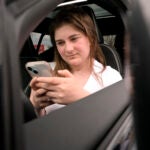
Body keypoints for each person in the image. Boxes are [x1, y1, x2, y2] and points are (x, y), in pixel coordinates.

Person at [29, 5, 122, 116]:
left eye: (74, 39)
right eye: (60, 43)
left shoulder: (111, 76)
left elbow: (121, 122)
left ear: (91, 39)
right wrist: (35, 107)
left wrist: (81, 98)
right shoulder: (49, 75)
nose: (68, 49)